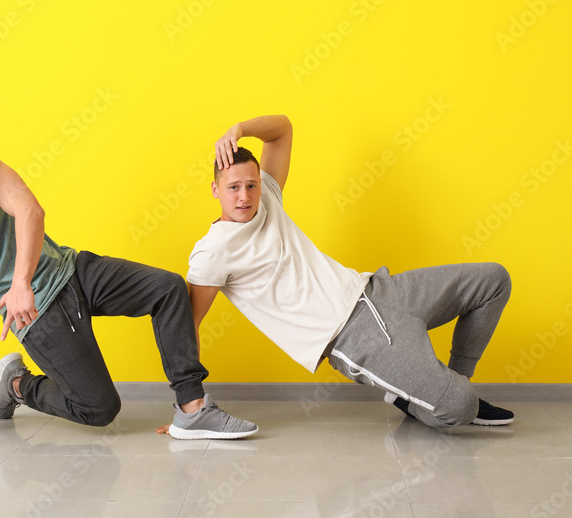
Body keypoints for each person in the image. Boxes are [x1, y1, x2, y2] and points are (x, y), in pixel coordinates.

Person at [0, 118, 256, 445]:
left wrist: (20, 281)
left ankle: (192, 409)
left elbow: (30, 210)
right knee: (100, 409)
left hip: (71, 269)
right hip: (38, 315)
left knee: (168, 288)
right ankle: (17, 385)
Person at [185, 115, 514, 428]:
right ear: (215, 190)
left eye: (251, 185)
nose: (245, 196)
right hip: (353, 337)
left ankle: (452, 384)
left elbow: (282, 129)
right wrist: (190, 405)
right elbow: (189, 325)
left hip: (379, 290)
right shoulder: (212, 252)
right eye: (233, 188)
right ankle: (436, 399)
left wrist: (238, 129)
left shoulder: (267, 198)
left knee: (494, 280)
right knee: (462, 408)